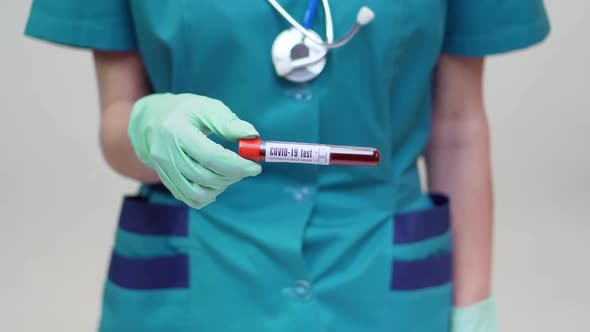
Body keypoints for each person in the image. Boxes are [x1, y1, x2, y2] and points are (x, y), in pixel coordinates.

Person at [24, 1, 550, 331]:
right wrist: (149, 126)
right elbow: (117, 125)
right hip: (198, 280)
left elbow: (457, 129)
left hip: (381, 284)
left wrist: (473, 307)